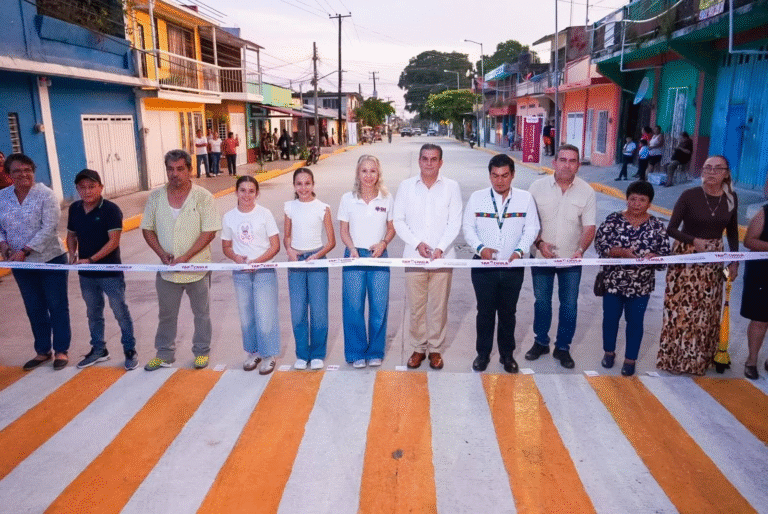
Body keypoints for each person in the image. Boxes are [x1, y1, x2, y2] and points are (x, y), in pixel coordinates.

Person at [657, 155, 739, 375]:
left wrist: (734, 260)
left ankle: (700, 359)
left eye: (717, 168)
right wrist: (693, 240)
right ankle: (676, 360)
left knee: (707, 311)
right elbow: (671, 228)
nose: (711, 172)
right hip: (687, 256)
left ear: (726, 173)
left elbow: (732, 231)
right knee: (682, 310)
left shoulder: (731, 198)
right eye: (707, 168)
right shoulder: (689, 195)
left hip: (713, 258)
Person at [141, 149, 221, 371]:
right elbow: (147, 228)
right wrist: (160, 253)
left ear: (189, 170)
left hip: (197, 269)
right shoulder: (156, 197)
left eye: (179, 169)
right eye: (170, 169)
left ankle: (202, 352)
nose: (174, 174)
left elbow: (209, 231)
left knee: (202, 314)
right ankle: (164, 354)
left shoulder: (203, 197)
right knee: (166, 315)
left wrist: (186, 257)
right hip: (168, 271)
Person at [462, 154, 540, 373]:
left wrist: (519, 252)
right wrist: (480, 249)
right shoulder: (478, 198)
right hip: (483, 268)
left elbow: (531, 229)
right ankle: (483, 355)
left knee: (508, 313)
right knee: (484, 312)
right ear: (489, 175)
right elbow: (468, 227)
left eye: (505, 175)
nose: (500, 180)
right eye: (495, 175)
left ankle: (507, 356)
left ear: (512, 175)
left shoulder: (525, 198)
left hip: (512, 267)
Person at [526, 144, 596, 369]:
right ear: (554, 162)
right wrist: (539, 244)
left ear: (578, 165)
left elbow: (589, 227)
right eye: (563, 160)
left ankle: (563, 347)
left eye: (572, 161)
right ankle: (541, 342)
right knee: (542, 303)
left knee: (569, 305)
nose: (567, 165)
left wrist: (580, 251)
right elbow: (529, 223)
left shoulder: (587, 191)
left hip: (571, 260)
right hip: (541, 257)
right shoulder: (536, 187)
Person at [393, 143, 462, 370]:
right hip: (414, 257)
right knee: (416, 306)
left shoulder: (451, 187)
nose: (429, 163)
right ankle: (418, 348)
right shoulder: (406, 187)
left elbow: (455, 222)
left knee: (438, 307)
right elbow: (399, 221)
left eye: (434, 159)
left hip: (443, 258)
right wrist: (417, 244)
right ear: (419, 161)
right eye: (425, 159)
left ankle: (435, 350)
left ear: (441, 162)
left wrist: (441, 247)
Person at [0, 153, 71, 370]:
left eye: (27, 170)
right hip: (20, 264)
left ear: (33, 171)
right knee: (34, 307)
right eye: (17, 171)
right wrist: (3, 245)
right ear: (9, 174)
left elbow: (49, 228)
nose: (23, 174)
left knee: (57, 305)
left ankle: (60, 351)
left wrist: (25, 250)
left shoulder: (46, 195)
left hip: (50, 258)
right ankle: (42, 351)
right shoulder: (2, 196)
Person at [594, 181, 670, 376]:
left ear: (649, 203)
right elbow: (600, 245)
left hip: (641, 285)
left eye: (642, 200)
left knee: (635, 322)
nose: (636, 203)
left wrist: (655, 257)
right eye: (633, 199)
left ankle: (630, 359)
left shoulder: (657, 225)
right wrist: (619, 252)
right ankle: (608, 353)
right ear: (627, 199)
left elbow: (664, 257)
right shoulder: (613, 220)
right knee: (610, 319)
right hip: (613, 281)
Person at [66, 169, 138, 370]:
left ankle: (129, 350)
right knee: (93, 312)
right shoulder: (75, 209)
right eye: (82, 187)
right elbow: (71, 234)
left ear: (100, 187)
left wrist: (90, 259)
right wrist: (72, 252)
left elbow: (113, 241)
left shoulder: (111, 210)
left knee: (120, 311)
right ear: (77, 189)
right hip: (86, 274)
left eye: (91, 186)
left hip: (110, 273)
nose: (87, 191)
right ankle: (99, 349)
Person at [338, 155, 396, 368]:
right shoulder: (347, 198)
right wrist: (352, 249)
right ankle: (355, 352)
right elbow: (343, 230)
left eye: (373, 171)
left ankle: (375, 351)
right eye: (364, 171)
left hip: (379, 256)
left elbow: (392, 227)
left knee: (379, 307)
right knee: (353, 307)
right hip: (354, 255)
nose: (368, 175)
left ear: (378, 173)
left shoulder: (386, 198)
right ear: (358, 173)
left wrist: (383, 243)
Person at [222, 176, 280, 375]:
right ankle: (253, 352)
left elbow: (275, 246)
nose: (247, 195)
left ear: (257, 193)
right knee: (246, 316)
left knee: (265, 315)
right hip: (241, 273)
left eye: (251, 191)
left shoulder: (264, 214)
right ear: (236, 192)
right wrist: (236, 257)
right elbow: (226, 247)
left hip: (263, 271)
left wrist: (259, 261)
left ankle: (268, 355)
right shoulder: (229, 217)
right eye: (243, 190)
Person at [284, 168, 336, 370]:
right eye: (299, 184)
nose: (303, 188)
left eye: (307, 183)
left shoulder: (323, 208)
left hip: (317, 260)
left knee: (319, 311)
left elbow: (331, 241)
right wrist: (289, 250)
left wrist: (318, 254)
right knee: (298, 311)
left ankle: (317, 353)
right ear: (294, 186)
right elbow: (287, 236)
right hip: (296, 262)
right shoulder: (289, 207)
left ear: (313, 185)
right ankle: (302, 353)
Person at [742, 203, 768, 379]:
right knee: (760, 319)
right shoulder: (764, 213)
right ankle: (752, 361)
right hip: (762, 273)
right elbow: (749, 241)